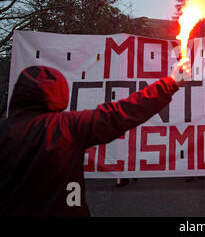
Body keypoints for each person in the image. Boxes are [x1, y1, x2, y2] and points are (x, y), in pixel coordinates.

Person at [0, 58, 191, 217]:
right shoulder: (68, 127)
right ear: (60, 93)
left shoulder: (5, 130)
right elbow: (120, 113)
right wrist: (170, 83)